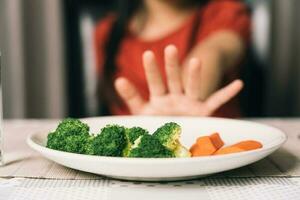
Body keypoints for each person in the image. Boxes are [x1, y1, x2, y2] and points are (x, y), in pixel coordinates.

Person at [94, 0, 250, 117]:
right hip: (132, 156)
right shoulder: (107, 32)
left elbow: (212, 52)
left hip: (215, 151)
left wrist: (182, 109)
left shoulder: (223, 12)